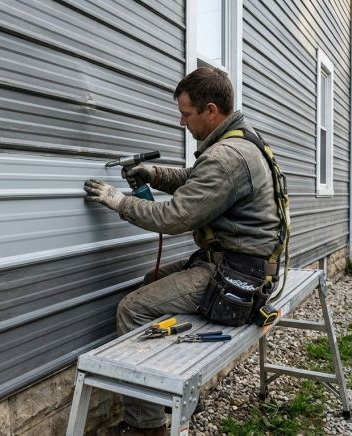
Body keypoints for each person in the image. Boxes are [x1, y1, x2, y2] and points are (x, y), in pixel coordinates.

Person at [83, 67, 282, 436]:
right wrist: (154, 174)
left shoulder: (227, 157)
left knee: (132, 309)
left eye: (186, 114)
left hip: (236, 275)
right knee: (151, 280)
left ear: (210, 110)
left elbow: (174, 217)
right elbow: (196, 180)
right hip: (241, 262)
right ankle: (170, 386)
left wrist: (117, 200)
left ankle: (146, 427)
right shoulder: (239, 142)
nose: (182, 121)